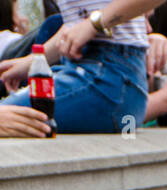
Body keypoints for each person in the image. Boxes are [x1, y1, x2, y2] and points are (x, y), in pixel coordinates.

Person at [0, 0, 154, 132]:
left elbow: (88, 25)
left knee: (8, 117)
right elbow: (78, 24)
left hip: (108, 76)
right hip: (95, 71)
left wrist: (95, 23)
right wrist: (34, 61)